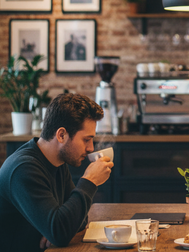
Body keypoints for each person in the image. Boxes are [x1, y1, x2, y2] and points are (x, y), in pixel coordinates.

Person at [0, 92, 113, 252]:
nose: (91, 148)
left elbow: (77, 220)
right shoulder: (24, 169)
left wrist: (55, 228)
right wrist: (89, 181)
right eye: (86, 139)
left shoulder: (57, 163)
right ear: (61, 135)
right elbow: (61, 232)